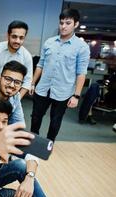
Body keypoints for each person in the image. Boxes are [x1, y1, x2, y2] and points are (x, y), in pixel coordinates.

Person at [29, 8, 90, 141]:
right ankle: (33, 142)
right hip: (43, 88)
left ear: (76, 24)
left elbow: (81, 73)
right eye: (61, 23)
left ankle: (49, 144)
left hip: (63, 91)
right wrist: (32, 83)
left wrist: (76, 96)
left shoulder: (82, 47)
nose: (63, 26)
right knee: (35, 117)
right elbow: (40, 64)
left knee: (55, 121)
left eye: (68, 23)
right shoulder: (49, 42)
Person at [0, 20, 33, 98]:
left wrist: (17, 100)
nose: (17, 41)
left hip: (12, 94)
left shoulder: (27, 56)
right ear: (8, 35)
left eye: (21, 38)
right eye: (14, 37)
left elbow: (27, 82)